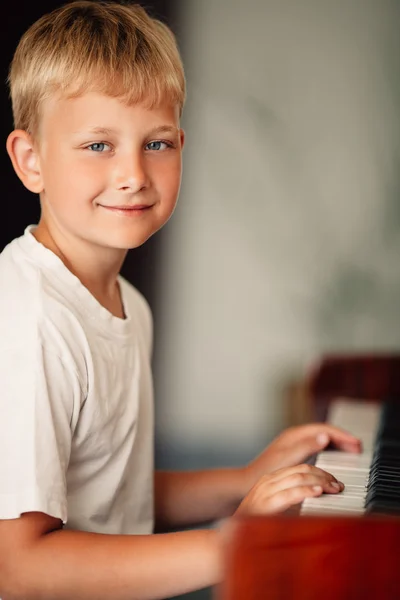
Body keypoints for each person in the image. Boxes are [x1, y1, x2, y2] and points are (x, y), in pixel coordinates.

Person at [0, 2, 361, 598]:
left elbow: (112, 497)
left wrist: (244, 480)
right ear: (30, 160)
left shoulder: (127, 304)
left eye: (158, 143)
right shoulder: (30, 322)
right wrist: (235, 543)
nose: (134, 173)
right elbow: (18, 566)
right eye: (98, 146)